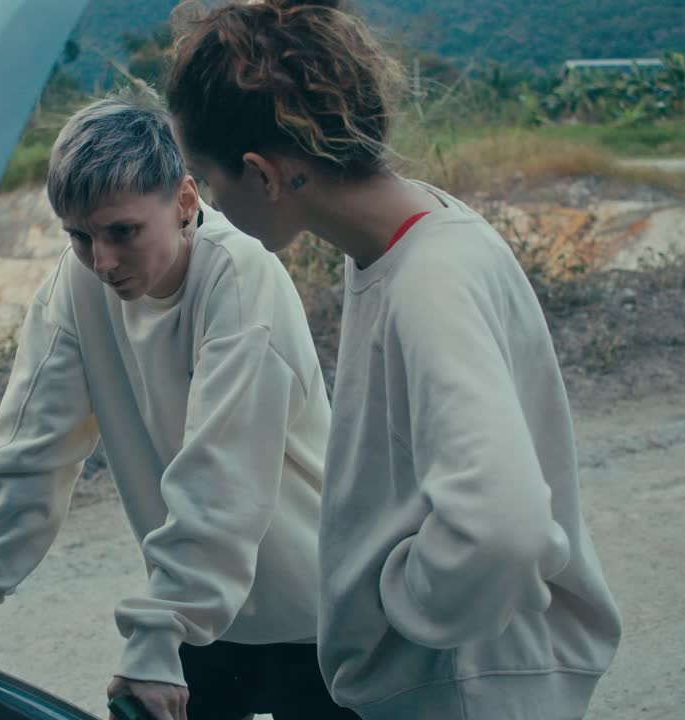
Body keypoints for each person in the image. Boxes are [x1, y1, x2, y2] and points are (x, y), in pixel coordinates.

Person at [165, 2, 623, 718]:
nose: (208, 208)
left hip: (462, 692)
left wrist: (394, 607)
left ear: (263, 173)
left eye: (208, 181)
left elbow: (502, 529)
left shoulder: (426, 281)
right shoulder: (412, 237)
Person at [0, 94, 353, 720]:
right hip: (199, 617)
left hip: (314, 619)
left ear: (182, 202)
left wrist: (157, 635)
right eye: (79, 236)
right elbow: (32, 453)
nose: (102, 262)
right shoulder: (76, 288)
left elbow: (222, 477)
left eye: (122, 232)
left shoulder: (238, 276)